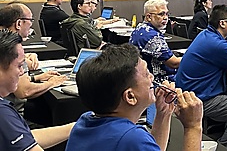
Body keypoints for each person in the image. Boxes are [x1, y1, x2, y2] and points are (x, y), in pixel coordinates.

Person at [66, 44, 204, 151]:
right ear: (130, 97)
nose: (152, 77)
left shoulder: (85, 122)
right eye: (146, 74)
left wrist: (164, 112)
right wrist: (193, 127)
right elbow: (137, 142)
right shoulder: (131, 138)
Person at [175, 5, 227, 151]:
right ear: (222, 23)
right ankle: (223, 148)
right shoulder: (216, 44)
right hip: (200, 98)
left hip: (189, 92)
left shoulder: (206, 35)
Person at [0, 29, 74, 151]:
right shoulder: (3, 113)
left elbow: (25, 137)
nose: (22, 72)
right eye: (19, 66)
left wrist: (75, 127)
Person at [0, 4, 68, 116]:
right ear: (19, 23)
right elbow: (24, 91)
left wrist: (36, 77)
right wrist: (52, 83)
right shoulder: (11, 48)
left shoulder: (4, 42)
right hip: (13, 114)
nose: (31, 24)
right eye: (30, 20)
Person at [129, 0, 181, 125]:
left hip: (147, 77)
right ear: (149, 16)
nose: (166, 18)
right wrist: (194, 55)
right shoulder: (151, 36)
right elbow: (173, 63)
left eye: (167, 14)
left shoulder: (141, 28)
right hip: (159, 82)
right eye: (161, 14)